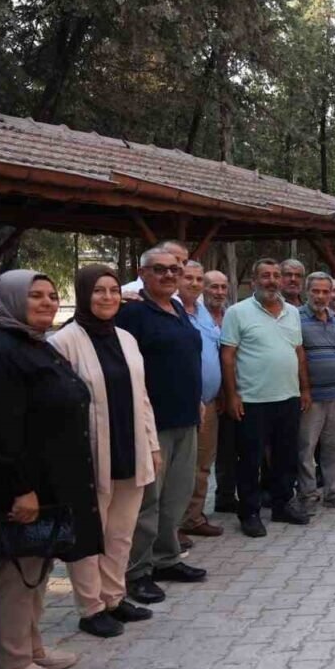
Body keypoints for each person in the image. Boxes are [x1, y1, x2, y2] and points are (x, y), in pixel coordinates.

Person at [0, 271, 100, 669]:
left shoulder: (29, 342)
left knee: (37, 564)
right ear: (10, 300)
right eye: (34, 295)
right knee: (16, 571)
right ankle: (9, 665)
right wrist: (21, 489)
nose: (46, 302)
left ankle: (30, 647)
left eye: (51, 295)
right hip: (18, 485)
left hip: (47, 481)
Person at [50, 265, 159, 638]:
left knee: (120, 532)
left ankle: (114, 597)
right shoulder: (63, 342)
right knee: (89, 534)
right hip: (89, 454)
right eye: (99, 290)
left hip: (130, 447)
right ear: (84, 294)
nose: (108, 297)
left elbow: (142, 397)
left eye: (113, 290)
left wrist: (152, 445)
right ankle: (91, 607)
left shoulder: (126, 338)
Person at [116, 246, 205, 603]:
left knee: (176, 496)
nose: (169, 275)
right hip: (153, 423)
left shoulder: (178, 309)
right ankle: (136, 572)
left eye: (174, 269)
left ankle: (166, 559)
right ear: (143, 273)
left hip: (186, 418)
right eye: (160, 269)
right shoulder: (132, 313)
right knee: (148, 501)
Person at [221, 257, 313, 538]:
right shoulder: (237, 312)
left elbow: (298, 352)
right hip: (252, 400)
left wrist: (304, 388)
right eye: (265, 275)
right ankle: (249, 512)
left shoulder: (292, 312)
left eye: (276, 275)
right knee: (250, 459)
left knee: (286, 456)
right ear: (253, 281)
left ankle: (282, 505)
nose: (272, 281)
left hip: (288, 397)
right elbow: (228, 356)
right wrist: (232, 395)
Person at [297, 272, 335, 511]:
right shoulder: (296, 318)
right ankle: (308, 494)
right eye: (316, 291)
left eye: (325, 292)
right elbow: (297, 356)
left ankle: (333, 491)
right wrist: (304, 389)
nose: (320, 296)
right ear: (307, 292)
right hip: (311, 397)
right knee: (306, 448)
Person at [177, 262, 224, 545]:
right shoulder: (171, 310)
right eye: (189, 278)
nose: (194, 284)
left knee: (203, 465)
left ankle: (193, 517)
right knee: (179, 468)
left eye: (198, 279)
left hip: (209, 402)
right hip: (182, 404)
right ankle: (172, 526)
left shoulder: (203, 312)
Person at [185, 270, 237, 522]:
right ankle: (183, 520)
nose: (218, 292)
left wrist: (227, 393)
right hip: (193, 402)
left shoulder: (227, 316)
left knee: (210, 460)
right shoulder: (186, 314)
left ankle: (196, 515)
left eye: (223, 287)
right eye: (213, 286)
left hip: (220, 398)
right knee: (190, 463)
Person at [120, 240, 188, 298]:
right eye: (176, 259)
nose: (181, 267)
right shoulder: (127, 293)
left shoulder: (178, 296)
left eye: (184, 262)